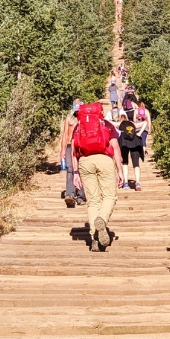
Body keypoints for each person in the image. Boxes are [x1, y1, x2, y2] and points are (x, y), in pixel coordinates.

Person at [71, 102, 124, 252]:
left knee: (93, 201)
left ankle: (94, 239)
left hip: (85, 161)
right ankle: (102, 219)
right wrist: (119, 169)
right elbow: (115, 147)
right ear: (100, 113)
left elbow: (73, 151)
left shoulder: (78, 127)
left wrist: (75, 173)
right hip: (105, 159)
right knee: (109, 196)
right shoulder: (107, 125)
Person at [59, 99, 86, 208]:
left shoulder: (85, 118)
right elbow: (65, 134)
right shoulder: (69, 118)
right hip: (71, 146)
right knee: (70, 169)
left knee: (82, 170)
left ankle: (81, 196)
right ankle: (70, 194)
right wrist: (63, 150)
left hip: (82, 146)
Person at [116, 118, 143, 190]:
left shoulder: (120, 124)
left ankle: (125, 183)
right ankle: (137, 183)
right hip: (135, 143)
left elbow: (110, 123)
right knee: (136, 164)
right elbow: (145, 123)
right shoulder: (133, 124)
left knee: (125, 163)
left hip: (124, 144)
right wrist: (140, 133)